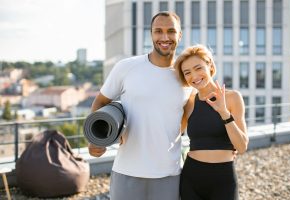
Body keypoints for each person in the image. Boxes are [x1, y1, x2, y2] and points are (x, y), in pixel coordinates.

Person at [88, 11, 191, 200]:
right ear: (151, 34)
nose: (165, 37)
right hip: (127, 170)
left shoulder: (187, 76)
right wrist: (96, 139)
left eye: (171, 31)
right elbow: (101, 102)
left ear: (179, 35)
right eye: (158, 31)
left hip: (169, 174)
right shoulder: (127, 67)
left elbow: (188, 119)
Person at [174, 44, 249, 200]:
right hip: (191, 177)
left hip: (223, 178)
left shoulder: (232, 98)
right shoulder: (189, 102)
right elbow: (172, 134)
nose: (194, 76)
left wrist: (224, 112)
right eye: (187, 72)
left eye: (198, 68)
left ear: (210, 65)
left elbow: (241, 147)